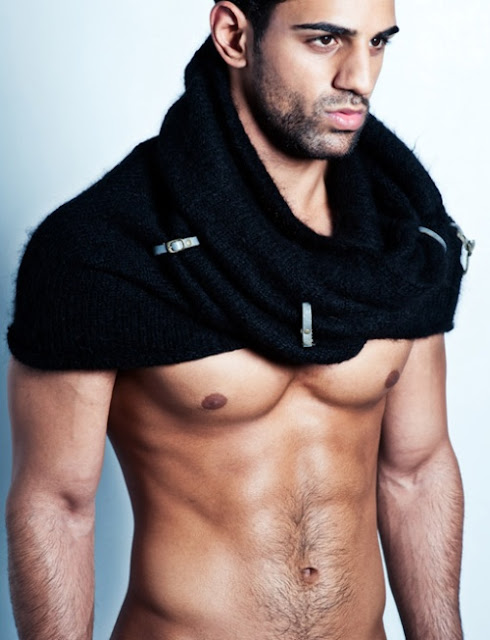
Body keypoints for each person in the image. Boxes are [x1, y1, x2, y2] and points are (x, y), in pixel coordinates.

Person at [6, 0, 471, 638]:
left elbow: (416, 471)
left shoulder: (401, 239)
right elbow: (57, 506)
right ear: (234, 36)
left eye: (377, 42)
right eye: (325, 40)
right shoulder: (103, 250)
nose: (360, 78)